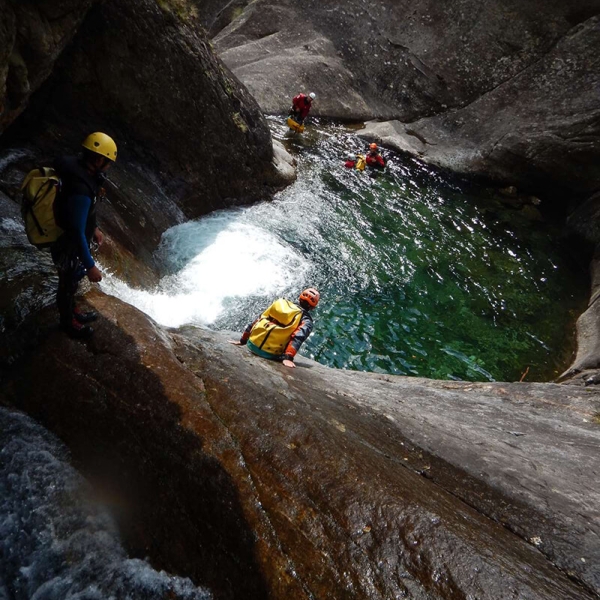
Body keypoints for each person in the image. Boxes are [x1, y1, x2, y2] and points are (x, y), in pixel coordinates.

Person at [51, 132, 117, 338]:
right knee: (67, 282)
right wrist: (90, 266)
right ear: (98, 160)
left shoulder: (80, 172)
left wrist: (95, 227)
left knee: (71, 280)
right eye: (107, 162)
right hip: (66, 243)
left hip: (70, 239)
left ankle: (73, 310)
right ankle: (67, 323)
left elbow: (86, 215)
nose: (107, 167)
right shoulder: (80, 187)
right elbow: (76, 230)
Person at [230, 288, 320, 368]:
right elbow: (297, 338)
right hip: (270, 354)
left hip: (251, 344)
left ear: (299, 298)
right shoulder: (306, 320)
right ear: (313, 307)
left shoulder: (280, 303)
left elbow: (258, 320)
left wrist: (242, 340)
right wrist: (288, 358)